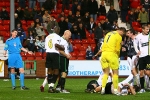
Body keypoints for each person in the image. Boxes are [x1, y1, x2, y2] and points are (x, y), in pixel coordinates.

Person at [100, 27, 126, 95]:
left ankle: (102, 89)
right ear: (121, 31)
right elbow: (117, 49)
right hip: (111, 54)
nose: (122, 35)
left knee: (106, 73)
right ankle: (115, 90)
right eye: (123, 34)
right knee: (115, 73)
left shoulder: (108, 33)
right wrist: (118, 56)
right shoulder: (118, 36)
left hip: (103, 54)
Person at [44, 26, 67, 93]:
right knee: (56, 70)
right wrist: (62, 48)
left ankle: (50, 87)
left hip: (48, 53)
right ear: (58, 30)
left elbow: (46, 46)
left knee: (50, 70)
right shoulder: (57, 36)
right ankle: (52, 85)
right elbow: (56, 45)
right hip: (54, 53)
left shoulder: (48, 36)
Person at [133, 25, 150, 93]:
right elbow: (135, 43)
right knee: (141, 73)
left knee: (148, 73)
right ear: (143, 29)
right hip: (141, 57)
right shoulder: (138, 36)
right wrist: (137, 51)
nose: (148, 31)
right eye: (146, 29)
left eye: (148, 29)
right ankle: (142, 88)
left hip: (148, 56)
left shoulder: (149, 35)